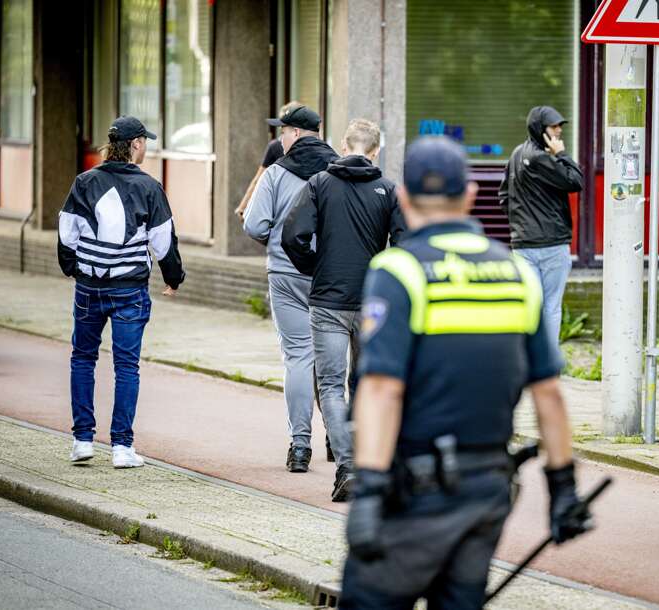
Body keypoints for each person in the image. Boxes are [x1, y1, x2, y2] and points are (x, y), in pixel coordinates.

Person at [339, 136, 592, 609]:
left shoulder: (401, 271)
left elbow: (381, 390)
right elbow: (549, 394)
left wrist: (369, 488)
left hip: (412, 493)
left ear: (405, 198)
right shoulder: (516, 273)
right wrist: (563, 490)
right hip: (487, 491)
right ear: (470, 196)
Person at [282, 118, 406, 501]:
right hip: (373, 302)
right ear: (375, 150)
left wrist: (315, 266)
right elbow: (404, 246)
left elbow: (292, 235)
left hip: (329, 301)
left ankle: (347, 466)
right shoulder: (388, 190)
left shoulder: (320, 184)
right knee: (367, 385)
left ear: (342, 144)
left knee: (332, 386)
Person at [57, 116, 185, 468]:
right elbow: (163, 239)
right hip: (129, 289)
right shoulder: (149, 187)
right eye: (146, 142)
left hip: (89, 285)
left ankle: (82, 440)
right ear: (137, 144)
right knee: (126, 366)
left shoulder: (84, 182)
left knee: (83, 358)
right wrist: (173, 277)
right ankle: (121, 448)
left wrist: (73, 268)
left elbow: (67, 232)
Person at [242, 105, 338, 473]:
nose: (279, 138)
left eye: (282, 131)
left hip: (285, 273)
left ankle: (300, 447)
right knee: (332, 361)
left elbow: (254, 225)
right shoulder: (339, 169)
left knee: (298, 356)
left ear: (295, 134)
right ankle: (336, 438)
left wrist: (275, 242)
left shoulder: (276, 174)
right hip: (330, 276)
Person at [499, 105, 584, 346]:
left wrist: (519, 224)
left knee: (528, 306)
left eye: (559, 126)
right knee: (551, 308)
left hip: (522, 245)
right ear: (540, 129)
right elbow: (576, 181)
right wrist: (562, 155)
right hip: (551, 244)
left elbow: (504, 196)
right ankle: (547, 368)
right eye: (553, 126)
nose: (558, 131)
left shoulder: (516, 154)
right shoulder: (543, 158)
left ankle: (526, 361)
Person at [233, 102, 301, 221]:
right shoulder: (315, 147)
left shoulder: (275, 147)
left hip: (279, 211)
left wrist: (243, 206)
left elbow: (258, 180)